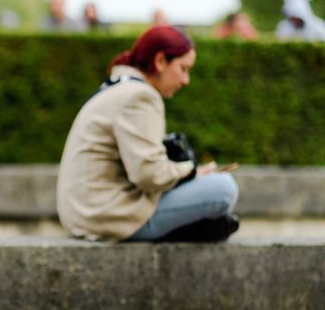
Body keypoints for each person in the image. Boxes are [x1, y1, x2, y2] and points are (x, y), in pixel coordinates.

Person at [56, 26, 240, 243]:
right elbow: (149, 175)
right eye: (183, 68)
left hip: (86, 214)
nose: (186, 80)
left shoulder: (117, 87)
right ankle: (180, 230)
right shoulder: (139, 96)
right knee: (223, 188)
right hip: (107, 217)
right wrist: (191, 172)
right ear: (160, 61)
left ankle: (186, 228)